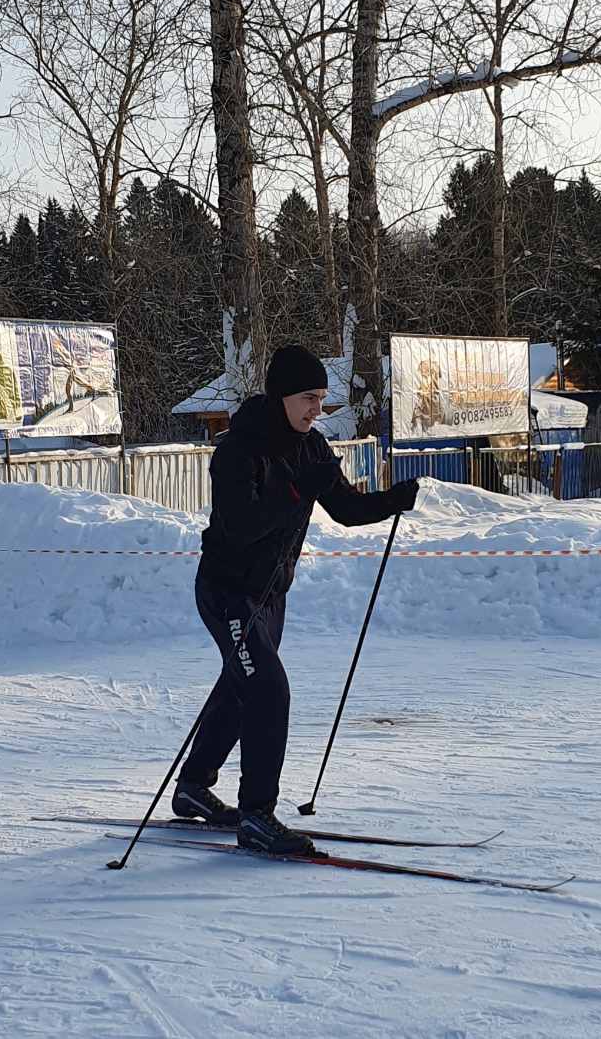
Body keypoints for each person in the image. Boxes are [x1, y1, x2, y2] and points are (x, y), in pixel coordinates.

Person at [172, 343, 420, 856]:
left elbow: (345, 509)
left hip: (270, 593)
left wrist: (392, 501)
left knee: (243, 686)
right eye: (309, 397)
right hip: (229, 590)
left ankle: (194, 786)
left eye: (323, 399)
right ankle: (257, 817)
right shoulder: (239, 448)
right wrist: (292, 490)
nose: (317, 409)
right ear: (281, 395)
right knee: (267, 692)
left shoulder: (312, 447)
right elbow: (240, 527)